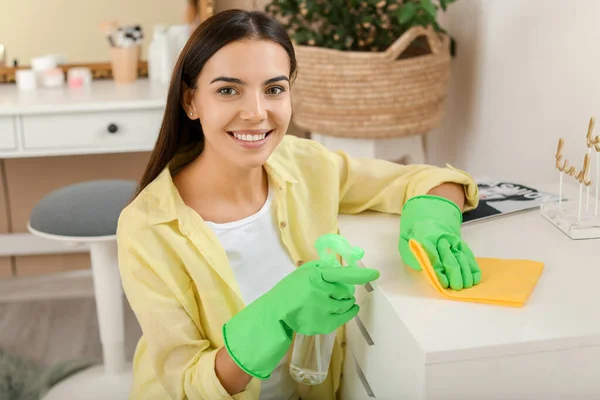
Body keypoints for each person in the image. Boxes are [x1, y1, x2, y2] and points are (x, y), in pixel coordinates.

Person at [116, 9, 481, 400]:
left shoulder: (306, 164)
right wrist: (277, 316)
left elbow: (425, 180)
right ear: (191, 101)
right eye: (228, 90)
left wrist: (434, 220)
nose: (256, 113)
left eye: (274, 89)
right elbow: (189, 386)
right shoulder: (148, 227)